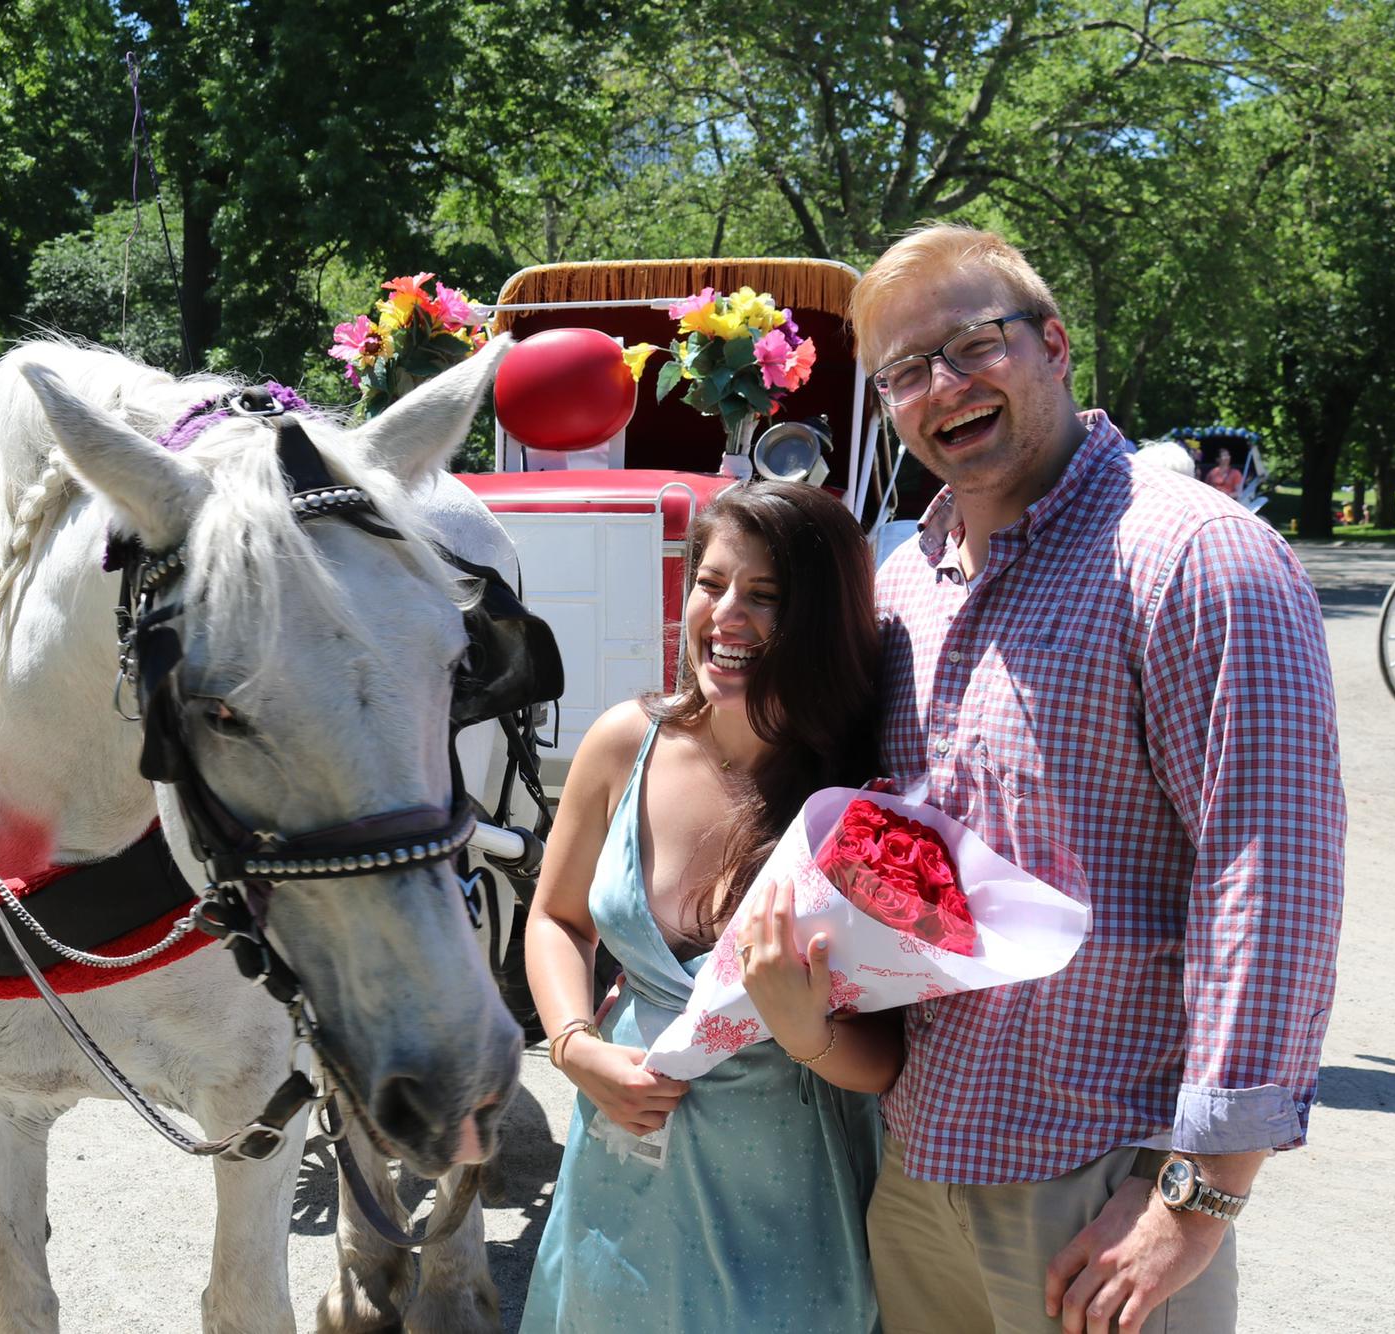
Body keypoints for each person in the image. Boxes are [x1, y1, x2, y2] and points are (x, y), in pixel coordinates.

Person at [848, 223, 1345, 1334]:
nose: (942, 385)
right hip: (919, 1165)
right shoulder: (905, 586)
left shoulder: (1192, 555)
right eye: (902, 370)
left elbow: (1268, 883)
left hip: (1099, 1183)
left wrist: (1197, 1193)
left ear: (1053, 343)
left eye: (970, 342)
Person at [520, 481, 900, 1334]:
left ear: (824, 621)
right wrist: (575, 1048)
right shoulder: (625, 742)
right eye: (711, 583)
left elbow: (890, 1061)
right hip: (619, 1185)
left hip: (784, 1204)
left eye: (764, 596)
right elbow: (559, 919)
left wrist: (807, 1030)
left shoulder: (860, 802)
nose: (726, 615)